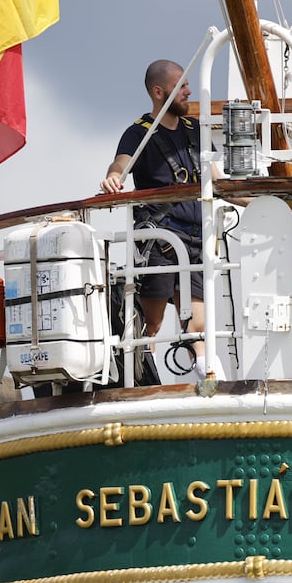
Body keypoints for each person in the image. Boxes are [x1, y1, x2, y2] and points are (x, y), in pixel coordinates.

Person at [101, 59, 208, 379]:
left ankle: (206, 375)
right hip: (160, 239)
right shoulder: (138, 133)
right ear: (159, 92)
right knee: (154, 321)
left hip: (195, 237)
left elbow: (217, 179)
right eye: (182, 86)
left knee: (197, 320)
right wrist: (112, 178)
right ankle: (144, 379)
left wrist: (263, 202)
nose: (189, 91)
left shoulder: (194, 130)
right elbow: (120, 165)